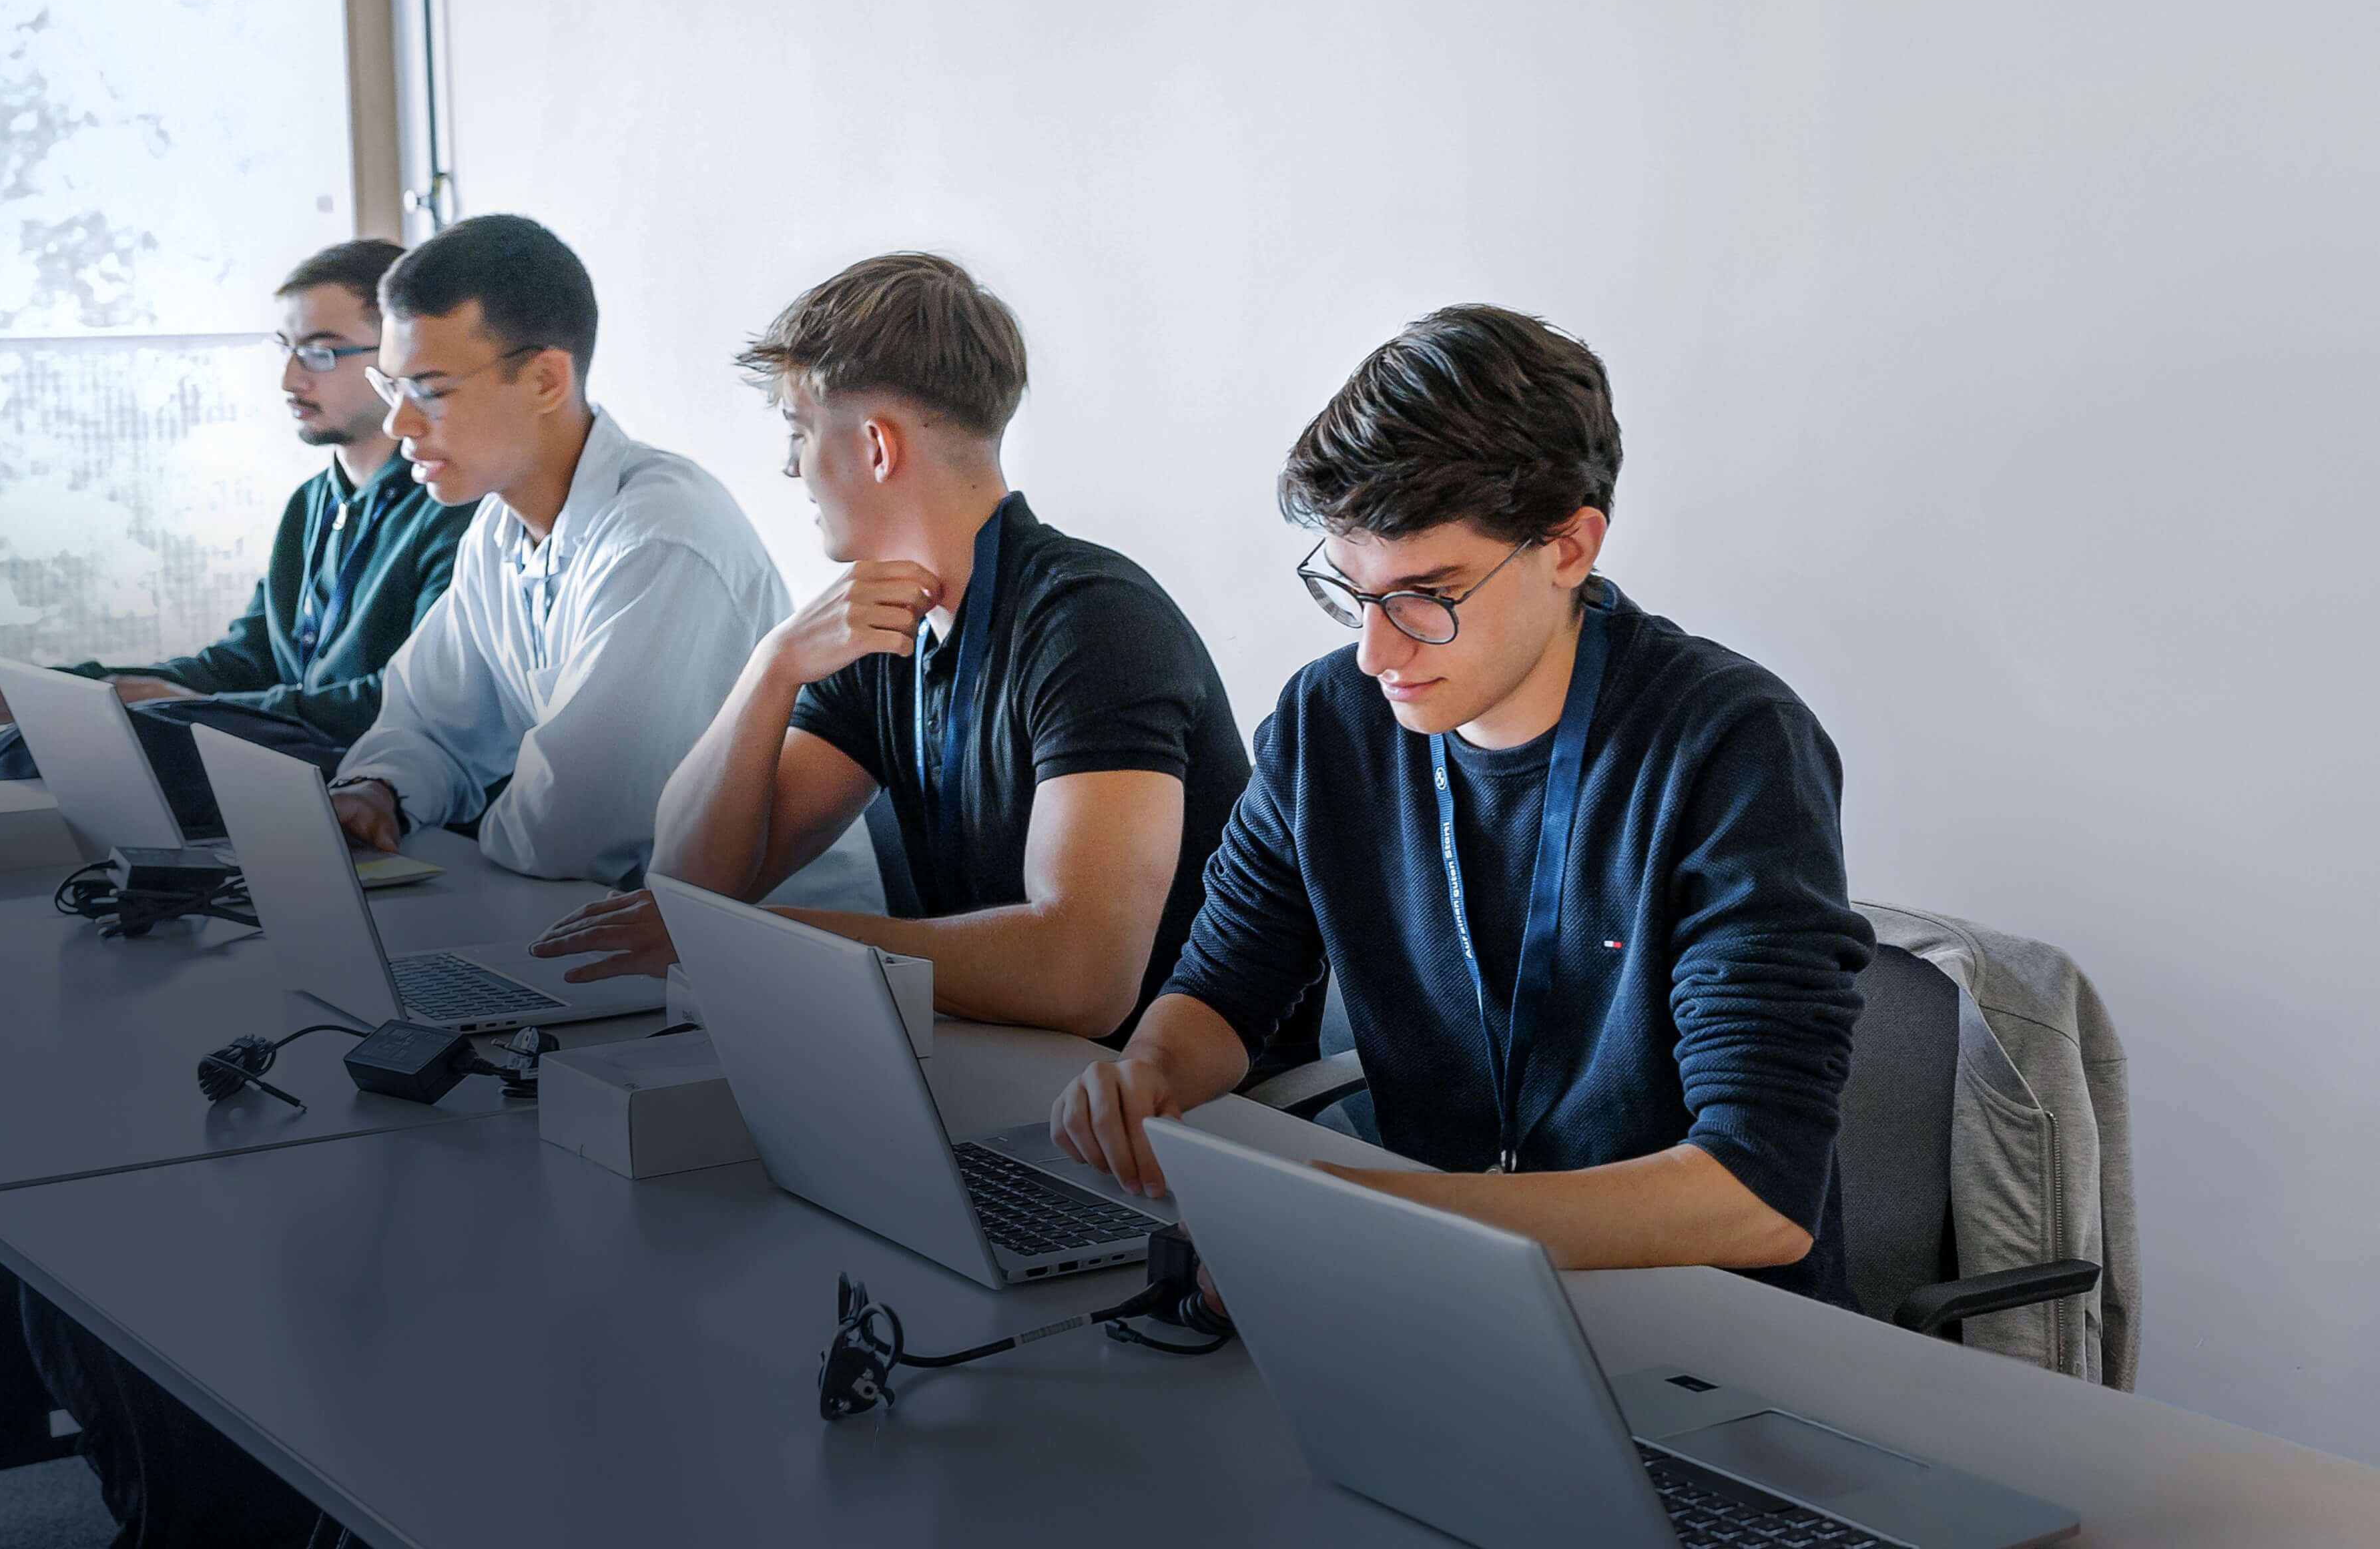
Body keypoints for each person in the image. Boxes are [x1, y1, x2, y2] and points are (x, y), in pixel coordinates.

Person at [1051, 306, 1874, 1304]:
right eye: (1353, 593)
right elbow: (1224, 990)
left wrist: (1379, 1225)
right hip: (1447, 1283)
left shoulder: (1734, 749)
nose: (1376, 652)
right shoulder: (1329, 722)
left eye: (1426, 596)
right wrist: (1147, 1071)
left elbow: (1757, 1192)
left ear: (1569, 547)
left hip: (1698, 1320)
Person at [531, 253, 1253, 1045]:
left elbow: (1083, 979)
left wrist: (769, 941)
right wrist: (772, 667)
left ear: (876, 446)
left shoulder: (1093, 623)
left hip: (1162, 1099)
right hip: (1004, 1065)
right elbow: (690, 885)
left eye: (799, 430)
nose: (790, 465)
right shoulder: (876, 632)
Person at [326, 214, 876, 901]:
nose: (398, 425)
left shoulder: (660, 538)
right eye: (392, 388)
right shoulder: (498, 531)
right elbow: (435, 724)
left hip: (763, 941)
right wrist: (375, 789)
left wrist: (457, 834)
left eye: (430, 391)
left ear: (546, 380)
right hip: (604, 914)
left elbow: (571, 829)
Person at [0, 240, 476, 772]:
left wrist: (196, 706)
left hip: (379, 782)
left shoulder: (452, 507)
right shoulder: (313, 504)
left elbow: (408, 703)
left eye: (321, 353)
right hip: (287, 770)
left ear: (397, 356)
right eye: (286, 349)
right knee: (20, 753)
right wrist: (58, 691)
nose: (289, 380)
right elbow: (243, 665)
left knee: (61, 760)